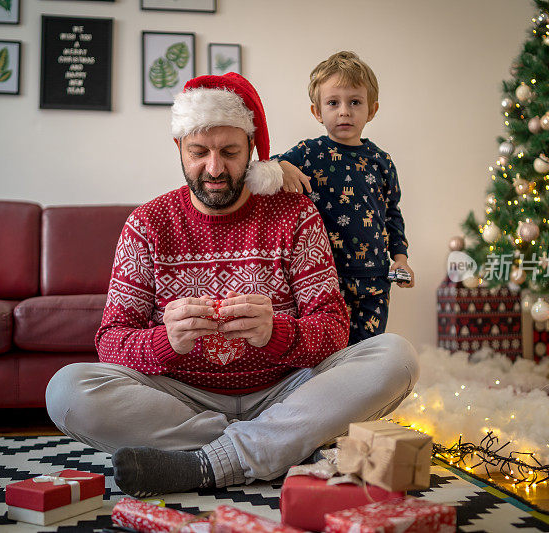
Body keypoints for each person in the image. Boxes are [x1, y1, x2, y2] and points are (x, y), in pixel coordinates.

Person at [45, 72, 419, 497]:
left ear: (252, 150)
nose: (214, 168)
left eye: (230, 151)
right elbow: (111, 340)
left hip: (284, 390)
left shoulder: (295, 214)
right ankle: (275, 446)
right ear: (179, 148)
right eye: (199, 152)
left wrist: (276, 333)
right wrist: (166, 342)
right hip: (183, 400)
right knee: (66, 391)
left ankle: (206, 462)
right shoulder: (146, 224)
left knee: (397, 358)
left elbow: (333, 328)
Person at [276, 51, 414, 345]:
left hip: (375, 277)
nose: (344, 111)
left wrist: (400, 259)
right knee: (329, 347)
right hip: (324, 275)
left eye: (354, 102)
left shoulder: (382, 161)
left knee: (368, 349)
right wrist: (283, 165)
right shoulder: (308, 153)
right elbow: (269, 166)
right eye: (333, 103)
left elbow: (392, 214)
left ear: (371, 110)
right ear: (317, 111)